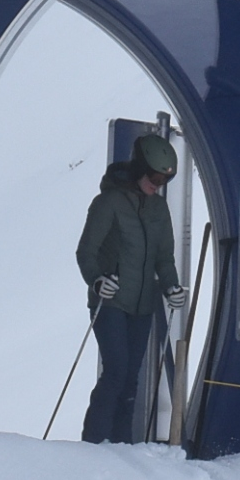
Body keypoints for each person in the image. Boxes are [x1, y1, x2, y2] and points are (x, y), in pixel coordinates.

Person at [74, 134, 187, 444]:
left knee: (130, 379)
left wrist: (171, 287)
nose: (157, 185)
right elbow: (86, 251)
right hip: (110, 302)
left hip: (142, 306)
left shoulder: (159, 209)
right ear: (139, 169)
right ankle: (94, 443)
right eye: (154, 177)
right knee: (116, 371)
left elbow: (164, 258)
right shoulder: (108, 203)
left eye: (165, 180)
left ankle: (122, 446)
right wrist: (97, 280)